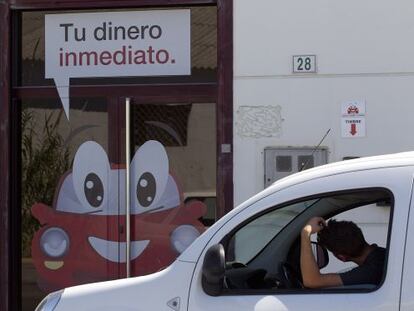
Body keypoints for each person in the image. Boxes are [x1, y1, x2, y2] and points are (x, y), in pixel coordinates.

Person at [300, 217, 385, 288]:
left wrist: (305, 232)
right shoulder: (382, 254)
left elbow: (312, 281)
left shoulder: (369, 272)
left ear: (341, 257)